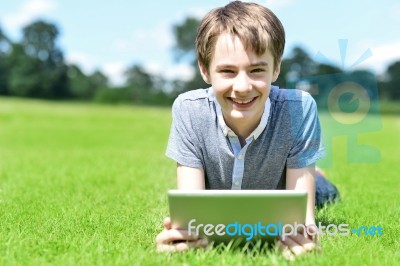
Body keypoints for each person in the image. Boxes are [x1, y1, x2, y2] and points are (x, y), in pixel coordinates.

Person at [155, 0, 339, 257]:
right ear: (205, 70)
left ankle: (316, 175)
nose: (242, 87)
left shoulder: (299, 108)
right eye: (228, 71)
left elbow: (303, 221)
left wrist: (304, 240)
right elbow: (192, 211)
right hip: (224, 194)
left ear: (276, 68)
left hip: (288, 184)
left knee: (325, 194)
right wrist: (182, 238)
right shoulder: (189, 109)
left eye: (256, 70)